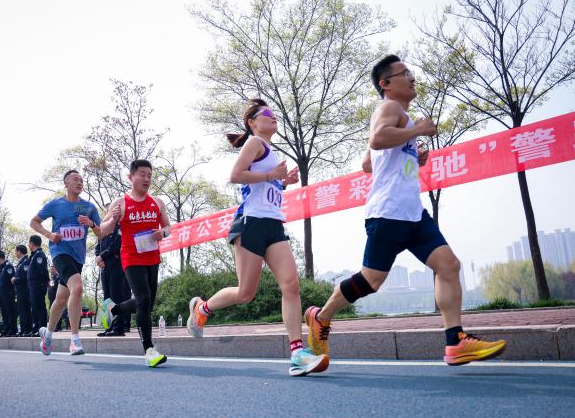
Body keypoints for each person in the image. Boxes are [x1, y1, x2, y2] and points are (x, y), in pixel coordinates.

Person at [305, 55, 507, 366]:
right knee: (371, 281)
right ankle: (321, 316)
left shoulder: (401, 117)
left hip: (413, 214)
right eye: (405, 73)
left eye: (411, 72)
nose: (412, 77)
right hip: (388, 213)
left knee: (449, 266)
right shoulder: (390, 108)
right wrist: (416, 132)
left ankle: (456, 342)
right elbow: (377, 139)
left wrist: (410, 154)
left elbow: (368, 162)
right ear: (385, 84)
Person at [185, 100, 328, 377]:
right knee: (245, 293)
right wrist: (272, 174)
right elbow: (235, 175)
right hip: (251, 223)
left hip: (273, 224)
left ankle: (297, 353)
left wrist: (282, 182)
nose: (274, 117)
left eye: (274, 114)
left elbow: (263, 185)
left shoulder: (270, 151)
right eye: (267, 114)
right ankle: (202, 308)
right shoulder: (255, 143)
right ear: (252, 123)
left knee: (291, 285)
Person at [101, 159, 171, 368]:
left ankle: (113, 309)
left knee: (146, 303)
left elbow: (168, 227)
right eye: (142, 174)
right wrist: (113, 219)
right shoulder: (120, 203)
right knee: (143, 300)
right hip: (131, 257)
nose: (146, 179)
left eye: (149, 175)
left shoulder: (157, 202)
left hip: (152, 257)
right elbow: (103, 230)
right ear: (130, 177)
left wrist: (162, 233)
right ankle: (149, 350)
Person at [31, 169, 101, 356]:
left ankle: (47, 335)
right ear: (66, 183)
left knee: (61, 299)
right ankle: (75, 341)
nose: (80, 183)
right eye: (76, 179)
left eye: (82, 180)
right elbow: (34, 222)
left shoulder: (89, 207)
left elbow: (101, 233)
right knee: (77, 287)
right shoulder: (56, 204)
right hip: (60, 253)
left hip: (78, 257)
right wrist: (49, 235)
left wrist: (91, 224)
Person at [95, 218, 131, 336]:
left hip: (117, 266)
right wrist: (98, 257)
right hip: (104, 267)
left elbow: (117, 245)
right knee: (107, 298)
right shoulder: (104, 228)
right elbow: (98, 245)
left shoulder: (120, 227)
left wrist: (102, 256)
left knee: (117, 297)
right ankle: (109, 326)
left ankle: (119, 327)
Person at [27, 235, 49, 337]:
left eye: (29, 243)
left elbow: (42, 271)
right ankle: (36, 328)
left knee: (39, 307)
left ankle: (42, 329)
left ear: (32, 243)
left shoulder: (39, 255)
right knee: (35, 307)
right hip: (33, 285)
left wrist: (44, 282)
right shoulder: (34, 255)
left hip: (38, 285)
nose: (28, 245)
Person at [0, 251, 17, 337]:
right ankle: (6, 329)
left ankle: (12, 330)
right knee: (4, 312)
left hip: (8, 293)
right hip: (1, 293)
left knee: (10, 311)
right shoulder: (1, 267)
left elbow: (11, 280)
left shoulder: (8, 266)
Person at [12, 245, 33, 336]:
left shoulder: (25, 262)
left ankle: (27, 330)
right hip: (20, 290)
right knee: (21, 310)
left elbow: (25, 276)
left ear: (19, 251)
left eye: (15, 251)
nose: (15, 253)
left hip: (24, 290)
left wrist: (15, 279)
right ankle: (23, 329)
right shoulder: (21, 262)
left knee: (25, 310)